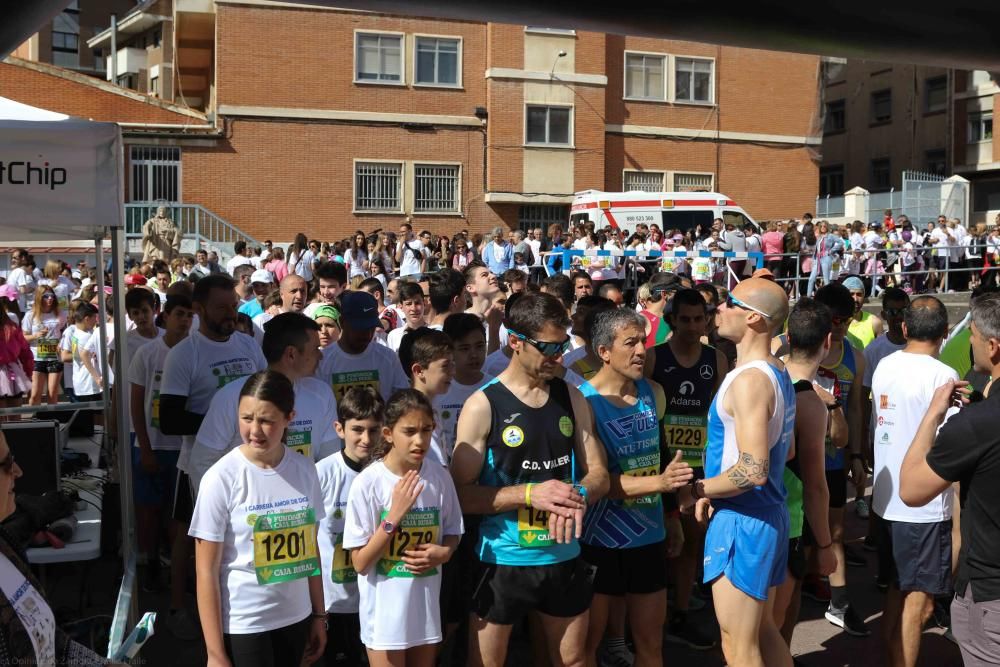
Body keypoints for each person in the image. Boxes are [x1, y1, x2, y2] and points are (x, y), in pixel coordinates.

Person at [451, 292, 610, 667]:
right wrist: (529, 494)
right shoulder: (483, 405)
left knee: (573, 661)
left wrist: (579, 495)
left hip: (562, 554)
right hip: (502, 559)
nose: (558, 357)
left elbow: (600, 473)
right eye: (548, 348)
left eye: (562, 346)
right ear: (515, 343)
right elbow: (459, 495)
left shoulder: (570, 396)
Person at [676, 277, 794, 667]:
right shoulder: (776, 372)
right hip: (766, 517)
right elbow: (782, 450)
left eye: (730, 302)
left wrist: (698, 489)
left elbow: (753, 469)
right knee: (762, 633)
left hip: (745, 520)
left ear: (756, 320)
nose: (719, 309)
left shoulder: (749, 381)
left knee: (738, 647)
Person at [580, 308, 694, 667]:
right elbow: (596, 483)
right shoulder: (582, 402)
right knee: (586, 648)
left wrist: (672, 515)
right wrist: (659, 483)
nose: (641, 351)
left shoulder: (652, 392)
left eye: (642, 342)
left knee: (650, 645)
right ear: (604, 352)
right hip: (598, 542)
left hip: (648, 538)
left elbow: (660, 456)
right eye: (630, 343)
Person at [190, 370, 327, 667]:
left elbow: (310, 550)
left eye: (266, 420)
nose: (255, 430)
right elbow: (205, 571)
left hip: (297, 616)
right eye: (246, 418)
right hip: (245, 623)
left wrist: (319, 614)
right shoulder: (220, 478)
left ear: (289, 417)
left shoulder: (305, 470)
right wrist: (215, 653)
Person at [158, 273, 267, 637]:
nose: (230, 314)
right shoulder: (183, 354)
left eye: (233, 306)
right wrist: (221, 422)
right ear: (198, 309)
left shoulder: (249, 346)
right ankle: (177, 605)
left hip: (249, 462)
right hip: (199, 466)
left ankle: (232, 608)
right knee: (190, 537)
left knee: (237, 537)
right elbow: (169, 419)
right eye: (221, 308)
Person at [898, 291, 1000, 666]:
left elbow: (911, 488)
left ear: (992, 346)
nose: (967, 343)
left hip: (990, 596)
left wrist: (933, 415)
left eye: (971, 336)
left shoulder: (976, 424)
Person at [344, 389, 464, 665]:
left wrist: (445, 552)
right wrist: (393, 518)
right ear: (388, 434)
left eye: (426, 430)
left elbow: (453, 532)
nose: (420, 440)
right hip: (384, 619)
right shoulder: (368, 483)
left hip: (425, 611)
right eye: (409, 431)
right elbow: (360, 563)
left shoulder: (439, 478)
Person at [871, 296, 958, 667]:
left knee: (897, 590)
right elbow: (953, 441)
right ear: (945, 332)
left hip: (886, 500)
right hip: (923, 507)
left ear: (904, 328)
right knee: (918, 606)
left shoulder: (883, 365)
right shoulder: (943, 377)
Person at [0, 431, 125, 665]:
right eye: (6, 463)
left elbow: (50, 642)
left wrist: (103, 665)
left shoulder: (6, 544)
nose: (17, 471)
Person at [650, 288, 728, 649]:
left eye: (699, 319)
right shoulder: (653, 358)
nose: (693, 326)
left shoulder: (717, 359)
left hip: (700, 465)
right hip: (659, 464)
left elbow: (718, 417)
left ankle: (679, 611)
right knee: (658, 542)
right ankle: (651, 616)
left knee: (691, 540)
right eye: (685, 319)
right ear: (671, 321)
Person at [189, 312, 335, 489]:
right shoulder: (233, 396)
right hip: (246, 513)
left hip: (299, 512)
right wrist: (220, 511)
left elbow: (329, 462)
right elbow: (202, 462)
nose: (321, 356)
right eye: (315, 350)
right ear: (291, 354)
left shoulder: (322, 394)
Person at [771, 298, 839, 645]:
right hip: (788, 523)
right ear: (827, 342)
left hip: (750, 514)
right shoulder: (810, 402)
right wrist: (825, 545)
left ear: (787, 335)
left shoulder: (765, 376)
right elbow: (815, 486)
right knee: (768, 629)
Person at [128, 295, 195, 594]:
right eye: (180, 313)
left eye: (190, 315)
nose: (185, 320)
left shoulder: (194, 352)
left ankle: (174, 566)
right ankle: (150, 562)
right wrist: (144, 447)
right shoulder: (147, 353)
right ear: (165, 315)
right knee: (148, 511)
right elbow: (135, 404)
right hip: (151, 445)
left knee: (177, 514)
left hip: (183, 448)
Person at [316, 387, 384, 667]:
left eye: (373, 430)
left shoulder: (387, 475)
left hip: (376, 597)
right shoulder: (321, 473)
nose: (366, 439)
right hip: (332, 602)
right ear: (339, 429)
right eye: (357, 429)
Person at [316, 291, 410, 405]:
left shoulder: (388, 358)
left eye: (371, 327)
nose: (367, 334)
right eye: (360, 327)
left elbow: (403, 401)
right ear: (342, 322)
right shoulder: (323, 361)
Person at [22, 285, 64, 406]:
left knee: (53, 394)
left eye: (52, 296)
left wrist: (61, 343)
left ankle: (52, 421)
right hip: (37, 358)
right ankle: (34, 422)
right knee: (35, 395)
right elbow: (24, 337)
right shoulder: (30, 315)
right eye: (46, 296)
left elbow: (64, 332)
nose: (50, 298)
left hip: (55, 357)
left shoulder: (60, 313)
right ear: (39, 297)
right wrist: (36, 336)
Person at [638, 272, 679, 349]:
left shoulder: (674, 318)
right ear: (665, 294)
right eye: (678, 292)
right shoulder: (641, 319)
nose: (682, 296)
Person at [844, 276, 884, 351]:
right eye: (851, 294)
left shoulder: (875, 323)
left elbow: (880, 353)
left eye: (859, 294)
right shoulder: (837, 323)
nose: (855, 299)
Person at [387, 282, 430, 353]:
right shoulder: (393, 336)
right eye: (408, 304)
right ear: (400, 306)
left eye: (417, 303)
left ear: (424, 303)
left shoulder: (435, 333)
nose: (414, 308)